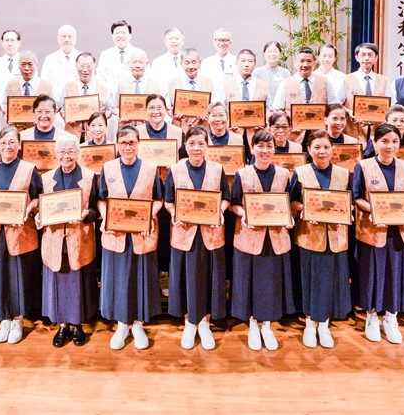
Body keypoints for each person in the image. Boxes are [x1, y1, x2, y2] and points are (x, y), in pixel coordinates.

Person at [352, 124, 404, 345]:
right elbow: (357, 197)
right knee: (372, 275)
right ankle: (371, 316)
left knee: (396, 275)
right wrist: (374, 211)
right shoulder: (363, 166)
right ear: (374, 142)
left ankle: (391, 318)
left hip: (401, 232)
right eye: (384, 141)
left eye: (394, 141)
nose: (389, 146)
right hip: (374, 231)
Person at [164, 126, 230, 350]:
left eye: (201, 143)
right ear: (185, 146)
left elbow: (226, 198)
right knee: (186, 279)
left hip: (210, 233)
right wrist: (175, 214)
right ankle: (189, 322)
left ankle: (205, 323)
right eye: (192, 143)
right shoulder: (175, 170)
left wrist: (219, 212)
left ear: (207, 146)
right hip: (185, 233)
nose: (196, 148)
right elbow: (168, 201)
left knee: (208, 279)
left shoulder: (217, 169)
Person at [98, 124, 164, 350]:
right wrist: (106, 218)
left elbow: (158, 199)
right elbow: (101, 199)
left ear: (138, 144)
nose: (128, 147)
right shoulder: (107, 168)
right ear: (117, 144)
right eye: (123, 143)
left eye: (132, 143)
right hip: (116, 234)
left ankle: (137, 324)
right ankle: (121, 324)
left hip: (141, 234)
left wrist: (149, 217)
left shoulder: (150, 168)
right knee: (118, 280)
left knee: (140, 278)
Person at [0, 125, 43, 344]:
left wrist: (27, 209)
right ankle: (4, 319)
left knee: (18, 276)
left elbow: (38, 197)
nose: (8, 146)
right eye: (4, 142)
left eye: (12, 142)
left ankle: (18, 320)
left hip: (19, 231)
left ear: (19, 145)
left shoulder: (29, 169)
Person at [230, 130, 295, 351]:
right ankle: (252, 324)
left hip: (275, 237)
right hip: (249, 236)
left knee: (270, 283)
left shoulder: (284, 174)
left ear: (274, 149)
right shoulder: (242, 174)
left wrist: (289, 218)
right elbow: (234, 204)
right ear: (252, 148)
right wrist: (244, 214)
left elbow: (288, 204)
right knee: (249, 281)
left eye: (269, 146)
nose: (265, 151)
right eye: (260, 146)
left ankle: (266, 325)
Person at [288, 130, 352, 348]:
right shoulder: (300, 172)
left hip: (336, 237)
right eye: (317, 147)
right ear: (308, 150)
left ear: (332, 149)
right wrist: (305, 209)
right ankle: (309, 323)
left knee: (331, 282)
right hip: (309, 236)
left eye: (326, 147)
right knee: (310, 281)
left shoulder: (344, 174)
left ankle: (323, 325)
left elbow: (349, 203)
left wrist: (346, 212)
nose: (322, 151)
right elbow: (292, 202)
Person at [38, 133, 100, 347]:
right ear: (56, 154)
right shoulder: (46, 178)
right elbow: (41, 207)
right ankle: (62, 325)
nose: (66, 156)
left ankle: (77, 324)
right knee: (58, 282)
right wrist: (39, 216)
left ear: (78, 153)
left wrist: (87, 214)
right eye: (62, 151)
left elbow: (96, 209)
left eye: (71, 151)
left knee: (77, 283)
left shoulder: (89, 177)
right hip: (54, 239)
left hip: (79, 238)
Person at [59, 52, 113, 140]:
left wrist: (100, 119)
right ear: (76, 67)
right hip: (72, 133)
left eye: (88, 66)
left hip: (96, 135)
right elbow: (61, 108)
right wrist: (66, 116)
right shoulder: (68, 87)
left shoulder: (104, 88)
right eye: (82, 66)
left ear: (94, 67)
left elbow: (109, 110)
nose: (85, 70)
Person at [170, 48, 217, 131]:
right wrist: (174, 115)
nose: (191, 67)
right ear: (181, 64)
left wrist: (208, 114)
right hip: (180, 130)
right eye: (187, 63)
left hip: (204, 130)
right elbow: (167, 109)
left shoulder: (209, 83)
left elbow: (214, 108)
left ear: (199, 62)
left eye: (194, 62)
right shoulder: (172, 84)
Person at [271, 46, 327, 112]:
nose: (305, 65)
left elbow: (333, 106)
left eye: (309, 61)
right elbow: (277, 109)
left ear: (314, 63)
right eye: (301, 61)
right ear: (295, 63)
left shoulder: (324, 82)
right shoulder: (285, 84)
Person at [97, 19, 146, 84]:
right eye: (117, 33)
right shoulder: (105, 55)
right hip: (111, 90)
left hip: (133, 90)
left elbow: (147, 78)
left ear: (130, 35)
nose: (120, 36)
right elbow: (100, 79)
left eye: (123, 33)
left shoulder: (140, 54)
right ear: (112, 36)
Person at [344, 42, 389, 108]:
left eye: (370, 55)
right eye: (363, 55)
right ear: (356, 58)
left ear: (376, 58)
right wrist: (349, 112)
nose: (366, 58)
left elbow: (391, 104)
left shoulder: (384, 81)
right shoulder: (345, 80)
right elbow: (338, 104)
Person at [40, 24, 79, 94]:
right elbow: (44, 84)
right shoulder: (49, 59)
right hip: (55, 99)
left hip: (77, 98)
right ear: (58, 39)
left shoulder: (82, 58)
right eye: (64, 36)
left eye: (70, 37)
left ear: (75, 39)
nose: (67, 40)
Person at [149, 27, 185, 96]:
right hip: (164, 100)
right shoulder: (157, 62)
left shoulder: (189, 61)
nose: (173, 41)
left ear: (183, 41)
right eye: (170, 39)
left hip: (185, 99)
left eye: (176, 38)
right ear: (165, 42)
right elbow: (153, 86)